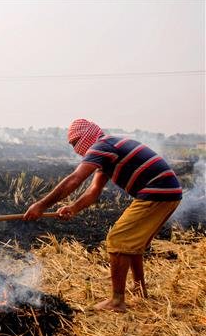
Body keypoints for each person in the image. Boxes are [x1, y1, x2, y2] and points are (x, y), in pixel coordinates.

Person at [23, 119, 182, 312]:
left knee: (117, 240)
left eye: (75, 143)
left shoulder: (101, 146)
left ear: (86, 136)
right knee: (133, 243)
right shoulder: (108, 150)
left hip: (158, 190)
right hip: (167, 191)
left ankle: (116, 301)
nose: (75, 149)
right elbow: (94, 190)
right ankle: (140, 290)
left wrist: (41, 205)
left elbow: (74, 180)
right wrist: (73, 208)